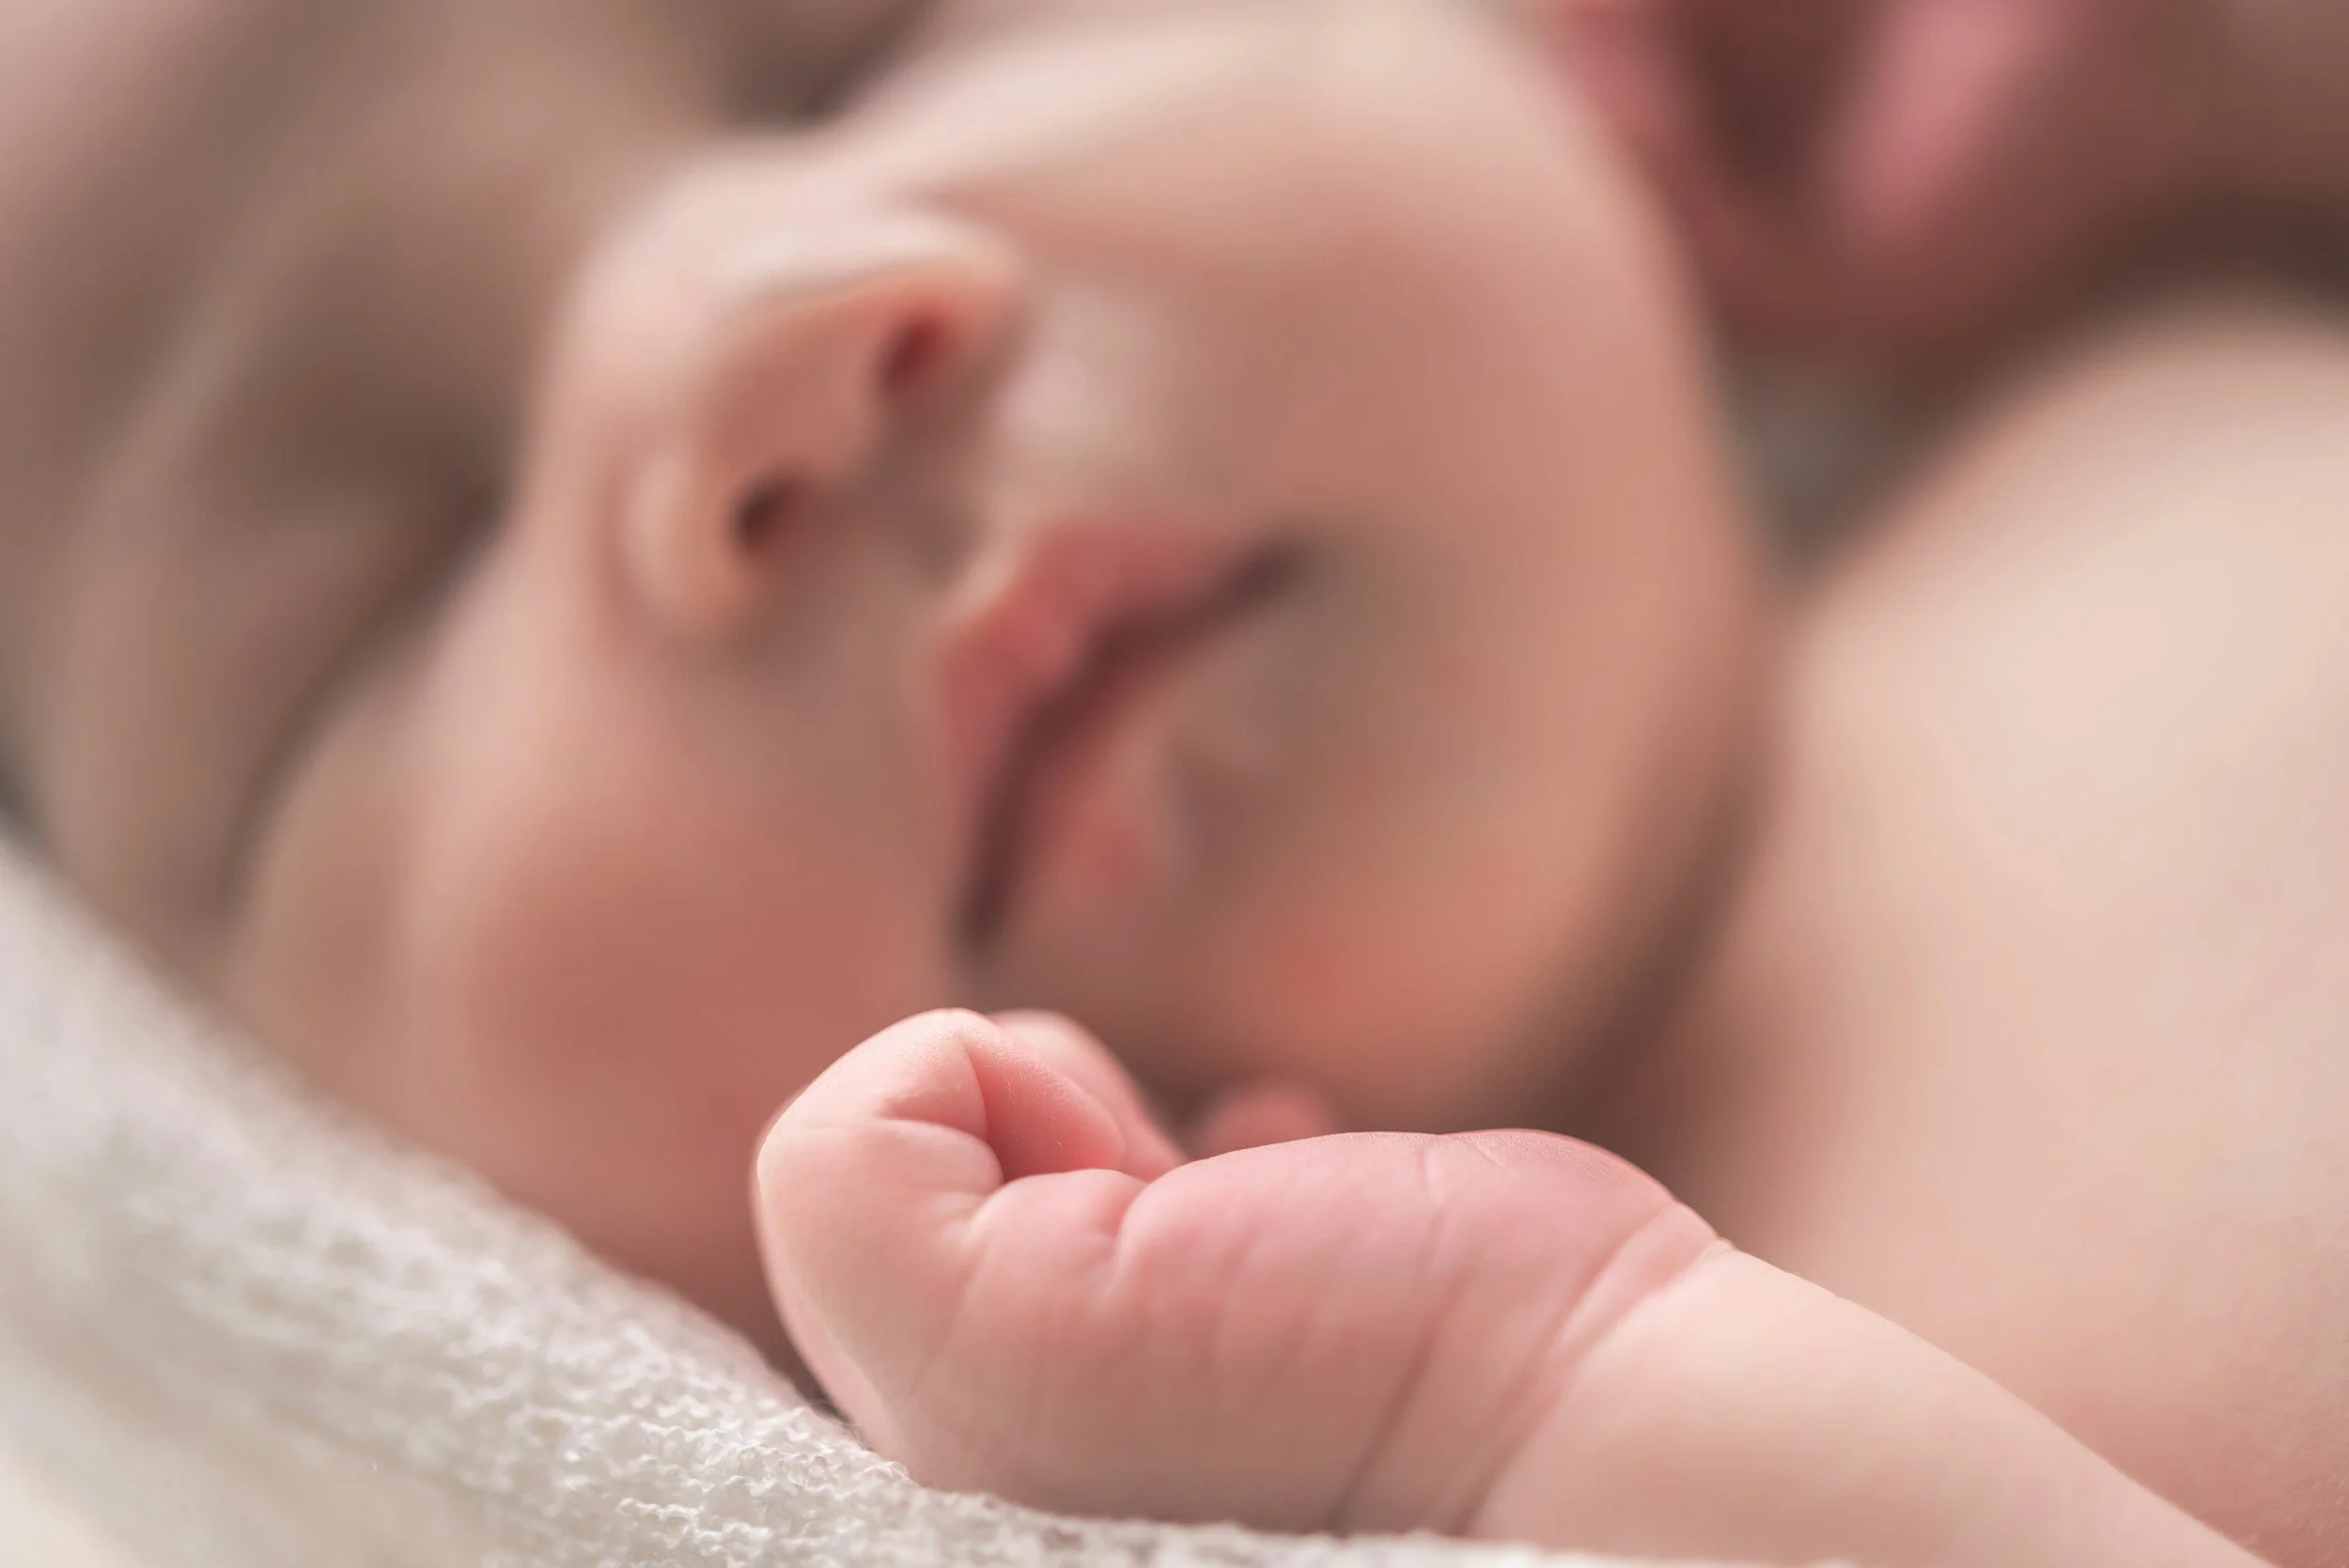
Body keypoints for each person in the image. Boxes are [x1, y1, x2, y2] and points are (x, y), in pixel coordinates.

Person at [1, 0, 2344, 1562]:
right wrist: (1545, 1395)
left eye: (851, 45)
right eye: (376, 598)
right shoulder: (1595, 1441)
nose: (761, 350)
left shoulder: (2163, 288)